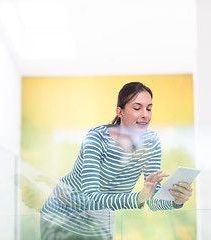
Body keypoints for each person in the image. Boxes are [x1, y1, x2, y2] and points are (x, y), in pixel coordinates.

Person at [40, 82, 193, 240]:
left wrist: (175, 199)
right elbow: (89, 198)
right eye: (137, 108)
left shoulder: (151, 142)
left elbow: (152, 201)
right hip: (62, 213)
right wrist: (138, 198)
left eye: (149, 108)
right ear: (119, 111)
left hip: (100, 218)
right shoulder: (97, 138)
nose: (145, 115)